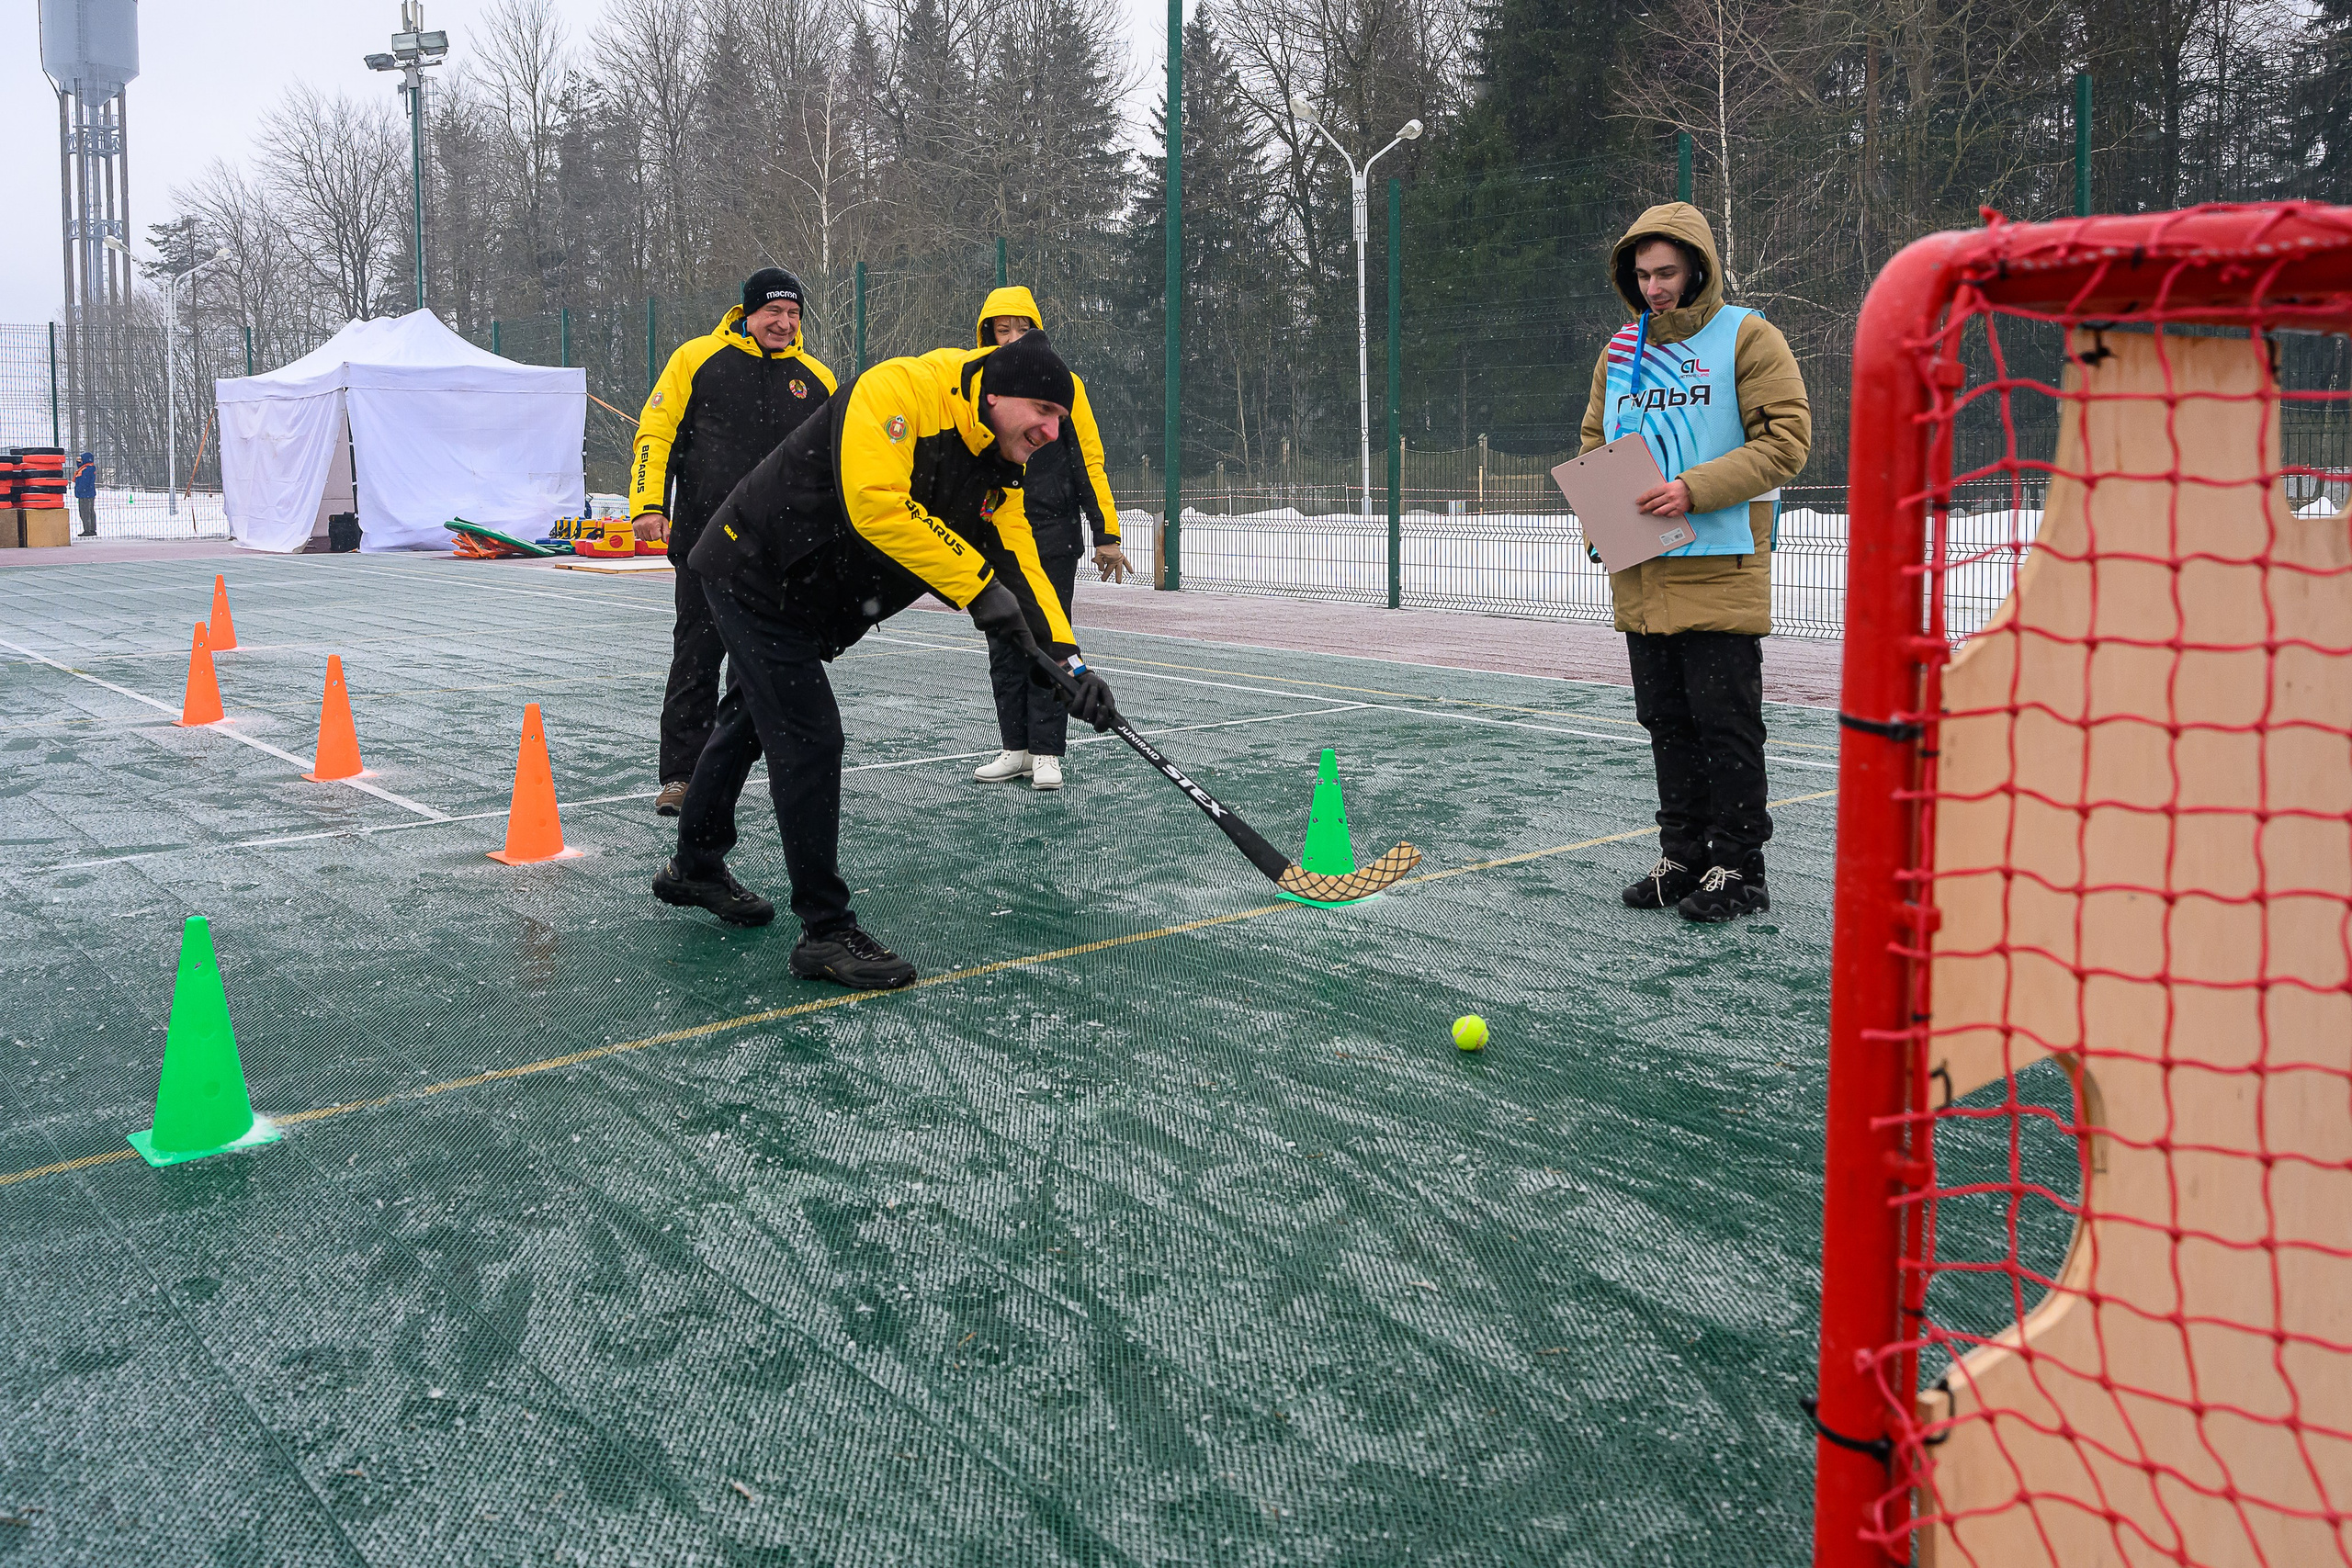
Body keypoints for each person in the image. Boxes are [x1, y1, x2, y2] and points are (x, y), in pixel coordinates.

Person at [653, 328, 1118, 990]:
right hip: (753, 568)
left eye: (1061, 421)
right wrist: (977, 587)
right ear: (996, 390)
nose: (1051, 431)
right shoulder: (899, 392)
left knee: (751, 718)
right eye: (1043, 413)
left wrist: (1069, 662)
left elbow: (1020, 560)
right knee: (809, 736)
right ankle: (825, 930)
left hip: (809, 597)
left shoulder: (997, 459)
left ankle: (695, 866)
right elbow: (875, 503)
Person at [1579, 201, 1810, 922]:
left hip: (1721, 563)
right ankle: (1682, 856)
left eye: (1668, 271)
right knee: (1666, 721)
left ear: (1699, 268)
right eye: (1643, 273)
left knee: (1725, 723)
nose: (1655, 286)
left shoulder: (1747, 336)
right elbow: (1595, 444)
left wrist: (1691, 490)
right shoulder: (1620, 352)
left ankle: (1739, 866)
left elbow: (1787, 442)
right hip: (1643, 572)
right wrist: (1600, 518)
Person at [629, 267, 837, 816]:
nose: (784, 323)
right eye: (774, 312)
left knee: (768, 667)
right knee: (697, 657)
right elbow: (657, 434)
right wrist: (649, 505)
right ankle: (680, 776)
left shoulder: (817, 378)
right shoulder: (697, 358)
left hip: (783, 554)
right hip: (706, 545)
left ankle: (765, 772)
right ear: (747, 313)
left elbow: (842, 460)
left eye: (793, 314)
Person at [965, 287, 1135, 791]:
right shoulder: (977, 385)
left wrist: (1107, 534)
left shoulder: (1067, 385)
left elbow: (1088, 458)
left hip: (1052, 536)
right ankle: (1015, 747)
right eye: (1002, 329)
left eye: (1022, 327)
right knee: (1003, 641)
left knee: (1048, 639)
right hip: (994, 536)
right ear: (987, 334)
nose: (1012, 337)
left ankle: (1046, 752)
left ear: (1037, 330)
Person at [74, 451, 96, 537]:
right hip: (89, 493)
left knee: (84, 512)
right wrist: (78, 463)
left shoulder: (86, 470)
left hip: (85, 494)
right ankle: (91, 529)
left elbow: (84, 482)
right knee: (90, 512)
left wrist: (79, 490)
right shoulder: (88, 468)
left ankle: (88, 530)